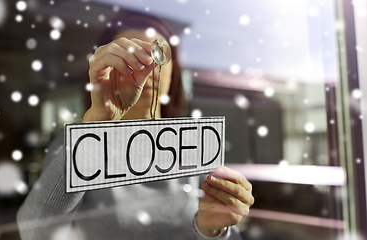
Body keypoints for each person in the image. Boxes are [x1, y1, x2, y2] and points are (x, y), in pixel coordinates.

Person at [17, 10, 254, 240]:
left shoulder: (193, 144)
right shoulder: (78, 144)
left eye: (158, 52)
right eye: (128, 55)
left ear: (174, 70)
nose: (146, 67)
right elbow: (35, 232)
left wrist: (212, 231)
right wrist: (97, 125)